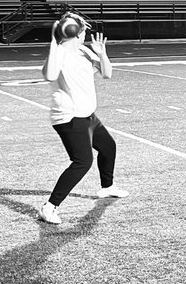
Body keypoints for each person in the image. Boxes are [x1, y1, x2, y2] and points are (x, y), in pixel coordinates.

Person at [37, 12, 128, 225]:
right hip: (69, 117)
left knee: (108, 147)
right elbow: (49, 75)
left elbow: (107, 74)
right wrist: (52, 41)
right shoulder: (58, 52)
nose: (86, 32)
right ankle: (49, 207)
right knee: (82, 161)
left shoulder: (84, 51)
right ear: (76, 32)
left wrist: (102, 54)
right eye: (84, 29)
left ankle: (107, 187)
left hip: (88, 115)